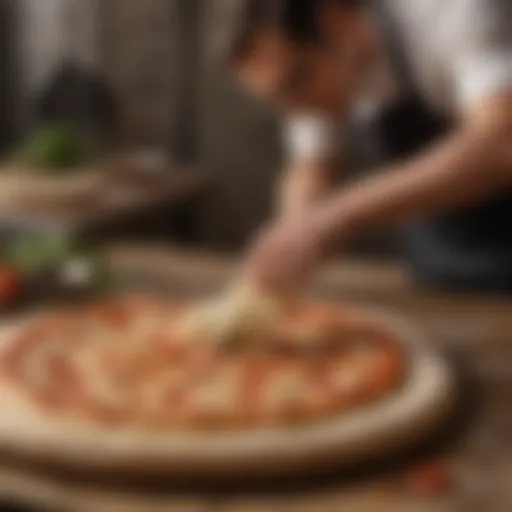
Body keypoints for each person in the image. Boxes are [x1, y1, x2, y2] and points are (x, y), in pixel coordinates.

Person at [229, 0, 512, 293]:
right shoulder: (319, 70)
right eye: (279, 98)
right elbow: (313, 168)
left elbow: (501, 143)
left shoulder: (450, 10)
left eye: (295, 80)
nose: (297, 111)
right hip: (444, 274)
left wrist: (336, 215)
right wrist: (291, 239)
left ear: (337, 19)